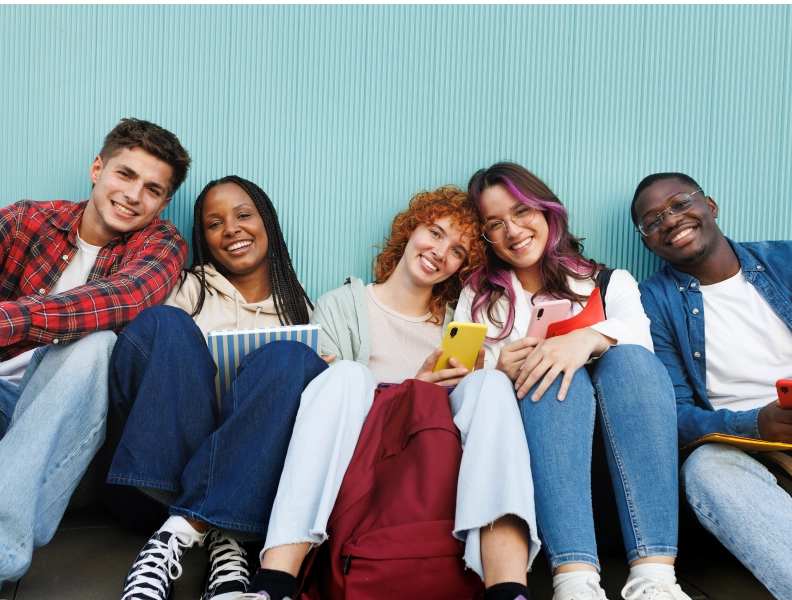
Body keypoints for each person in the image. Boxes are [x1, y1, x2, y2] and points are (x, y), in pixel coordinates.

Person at [236, 186, 539, 600]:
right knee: (345, 377)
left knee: (491, 382)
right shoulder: (340, 305)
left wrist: (454, 387)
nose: (439, 252)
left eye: (456, 251)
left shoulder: (462, 324)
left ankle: (508, 589)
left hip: (431, 469)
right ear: (411, 230)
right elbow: (329, 414)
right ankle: (274, 584)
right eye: (435, 233)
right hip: (360, 468)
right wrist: (411, 389)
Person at [456, 162, 690, 600]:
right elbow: (458, 385)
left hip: (626, 469)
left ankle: (655, 579)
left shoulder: (609, 281)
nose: (513, 230)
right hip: (543, 473)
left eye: (522, 211)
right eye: (495, 224)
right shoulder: (478, 299)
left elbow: (642, 346)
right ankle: (574, 581)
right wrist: (496, 369)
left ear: (547, 211)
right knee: (545, 370)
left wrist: (586, 339)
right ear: (486, 237)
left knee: (630, 361)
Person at [0, 117, 190, 598]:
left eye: (152, 189)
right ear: (97, 168)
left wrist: (1, 321)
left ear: (163, 203)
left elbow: (120, 299)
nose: (133, 195)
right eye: (125, 174)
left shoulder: (162, 245)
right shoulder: (28, 221)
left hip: (69, 452)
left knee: (96, 341)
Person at [104, 176, 328, 600]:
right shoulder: (187, 289)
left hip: (252, 489)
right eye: (214, 223)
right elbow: (143, 364)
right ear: (204, 238)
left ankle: (206, 531)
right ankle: (221, 526)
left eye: (244, 215)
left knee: (294, 358)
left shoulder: (302, 309)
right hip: (158, 478)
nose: (231, 229)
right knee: (164, 324)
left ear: (268, 223)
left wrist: (318, 373)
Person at [634, 172, 792, 599]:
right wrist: (756, 424)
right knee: (705, 468)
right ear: (648, 241)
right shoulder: (652, 302)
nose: (669, 220)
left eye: (680, 203)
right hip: (753, 458)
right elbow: (675, 415)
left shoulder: (786, 259)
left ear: (711, 206)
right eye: (652, 221)